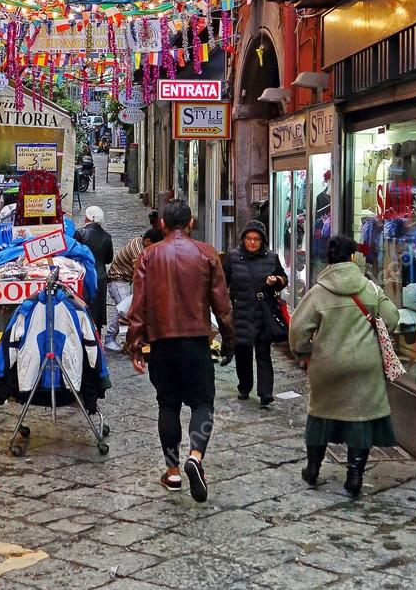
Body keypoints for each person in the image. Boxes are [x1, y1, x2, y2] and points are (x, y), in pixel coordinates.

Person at [127, 199, 234, 503]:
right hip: (196, 341)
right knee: (203, 403)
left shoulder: (148, 256)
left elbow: (138, 305)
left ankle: (173, 471)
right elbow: (222, 305)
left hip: (162, 343)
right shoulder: (206, 254)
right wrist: (229, 339)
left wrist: (135, 344)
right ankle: (196, 456)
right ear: (191, 223)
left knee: (168, 404)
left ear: (161, 224)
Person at [289, 234, 400, 497]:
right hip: (365, 365)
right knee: (360, 417)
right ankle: (354, 476)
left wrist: (304, 352)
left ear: (328, 258)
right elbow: (392, 318)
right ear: (352, 257)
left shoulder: (318, 292)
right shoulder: (370, 288)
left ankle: (313, 469)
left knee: (320, 413)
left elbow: (297, 329)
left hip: (327, 365)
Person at [222, 220, 288, 408]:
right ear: (243, 239)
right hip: (241, 312)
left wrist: (276, 280)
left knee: (263, 352)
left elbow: (284, 279)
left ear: (262, 240)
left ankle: (265, 392)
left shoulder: (271, 258)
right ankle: (244, 387)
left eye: (256, 239)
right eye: (249, 238)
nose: (252, 242)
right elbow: (222, 282)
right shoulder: (233, 257)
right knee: (242, 352)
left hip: (263, 312)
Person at [104, 228, 163, 352]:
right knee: (124, 309)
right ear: (147, 241)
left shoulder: (141, 244)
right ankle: (110, 338)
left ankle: (130, 340)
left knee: (126, 308)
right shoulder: (138, 250)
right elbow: (139, 275)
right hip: (118, 280)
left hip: (125, 280)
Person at [75, 206, 113, 335]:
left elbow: (74, 255)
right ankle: (97, 337)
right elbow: (109, 259)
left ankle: (84, 335)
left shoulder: (80, 233)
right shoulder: (107, 236)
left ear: (88, 218)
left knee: (83, 306)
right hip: (100, 275)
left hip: (84, 273)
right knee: (98, 309)